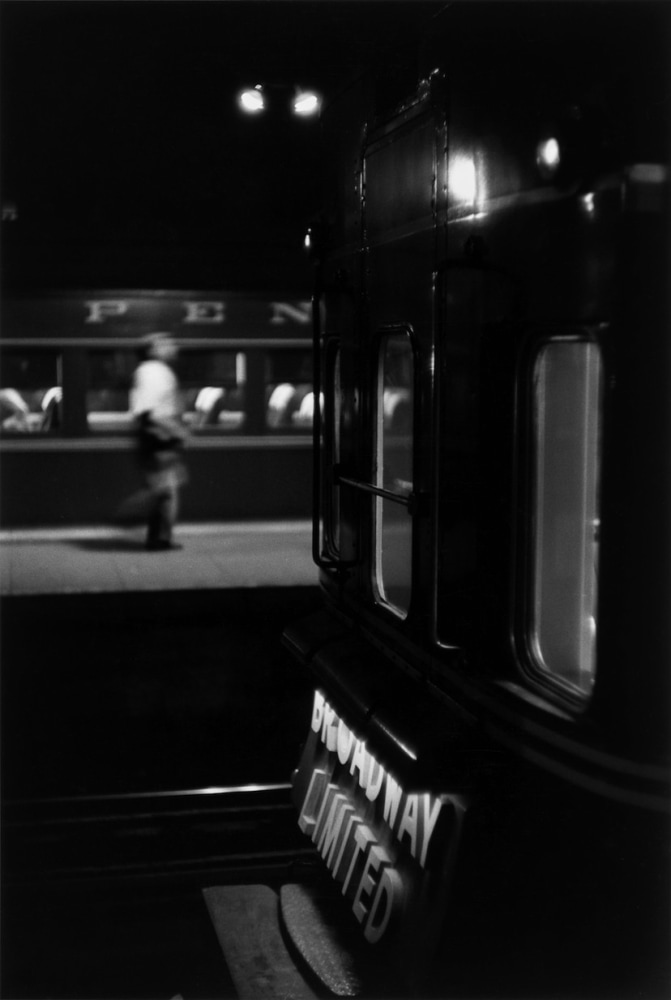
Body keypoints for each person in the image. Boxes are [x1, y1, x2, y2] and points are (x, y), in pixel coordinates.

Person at [128, 332, 187, 551]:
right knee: (164, 491)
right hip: (158, 438)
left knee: (166, 490)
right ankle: (133, 518)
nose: (173, 345)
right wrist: (179, 432)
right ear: (152, 349)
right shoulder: (153, 372)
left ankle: (159, 538)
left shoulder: (153, 371)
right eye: (165, 343)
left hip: (158, 438)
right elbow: (152, 413)